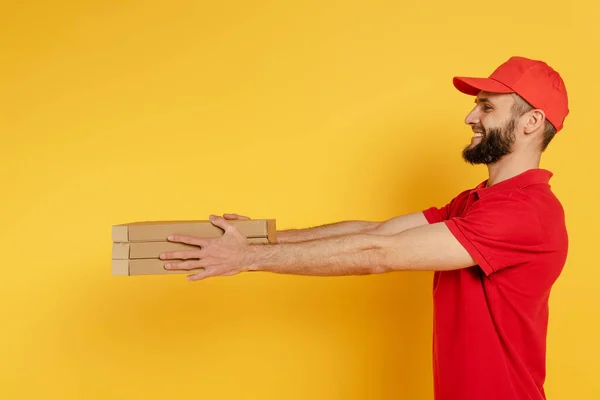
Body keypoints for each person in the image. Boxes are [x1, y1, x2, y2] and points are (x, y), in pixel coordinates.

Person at [160, 56, 570, 400]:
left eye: (487, 107)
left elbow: (379, 255)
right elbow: (381, 231)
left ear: (531, 121)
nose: (470, 116)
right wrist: (257, 237)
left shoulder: (524, 213)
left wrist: (247, 258)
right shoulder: (476, 202)